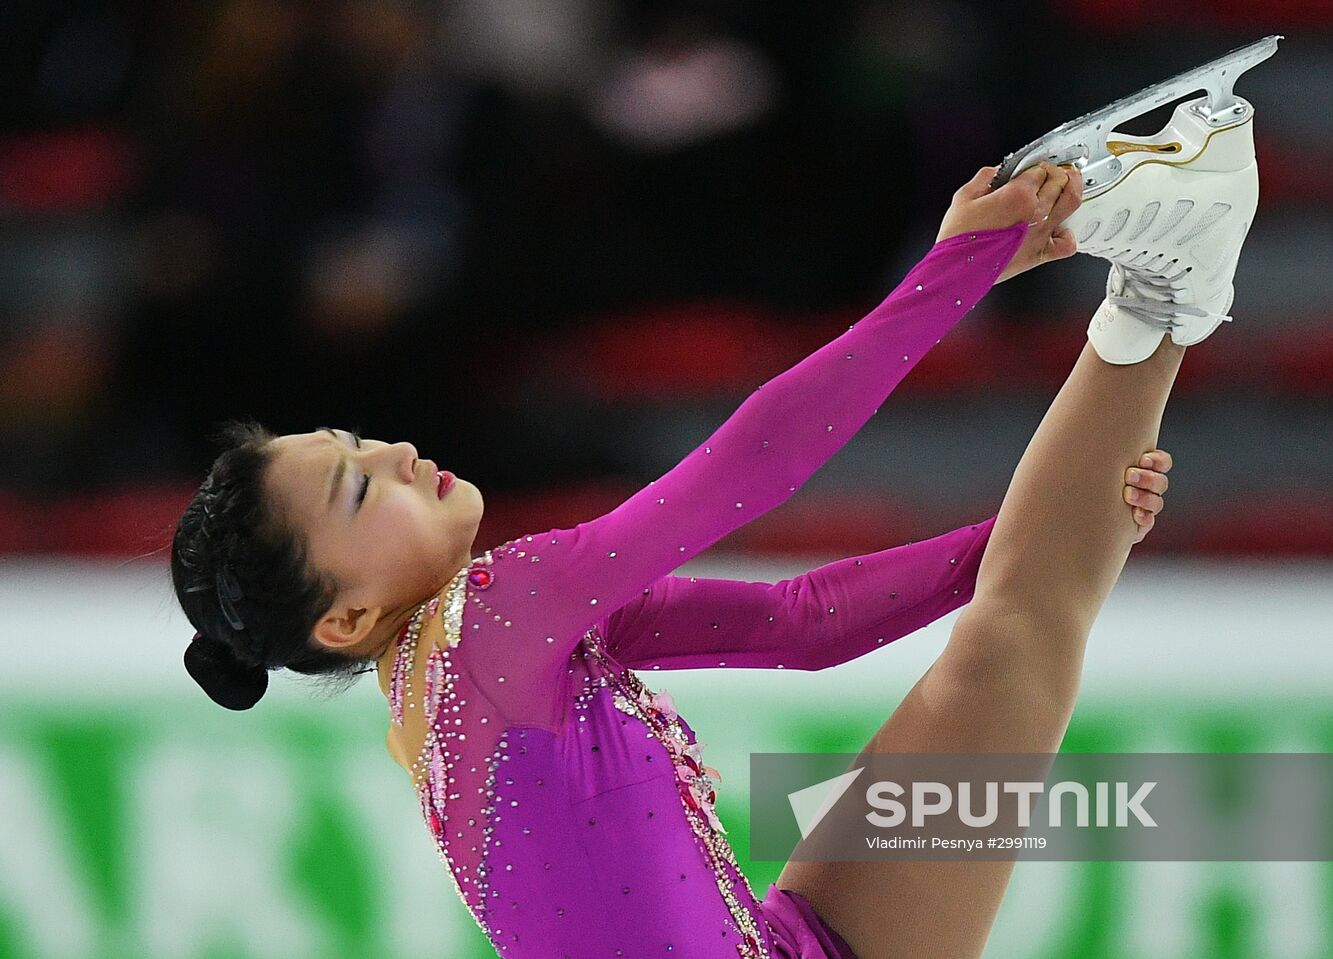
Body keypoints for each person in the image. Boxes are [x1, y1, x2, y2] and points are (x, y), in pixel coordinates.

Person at [171, 161, 1182, 958]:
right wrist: (954, 271)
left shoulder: (466, 672)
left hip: (781, 942)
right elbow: (752, 464)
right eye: (357, 489)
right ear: (343, 618)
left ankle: (1168, 278)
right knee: (1013, 632)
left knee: (1016, 615)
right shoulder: (494, 615)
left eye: (356, 442)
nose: (393, 453)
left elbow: (799, 622)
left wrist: (1052, 526)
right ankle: (1175, 274)